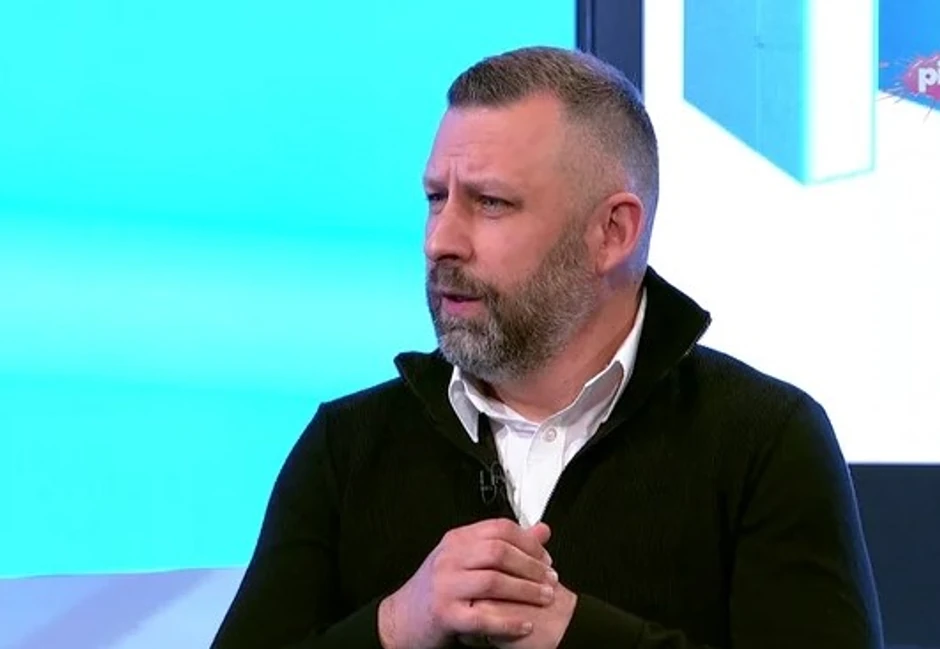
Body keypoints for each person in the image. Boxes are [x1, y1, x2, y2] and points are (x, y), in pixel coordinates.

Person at [210, 46, 883, 649]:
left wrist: (576, 633)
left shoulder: (762, 441)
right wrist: (394, 625)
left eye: (490, 202)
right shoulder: (349, 447)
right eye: (436, 197)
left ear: (612, 232)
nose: (440, 240)